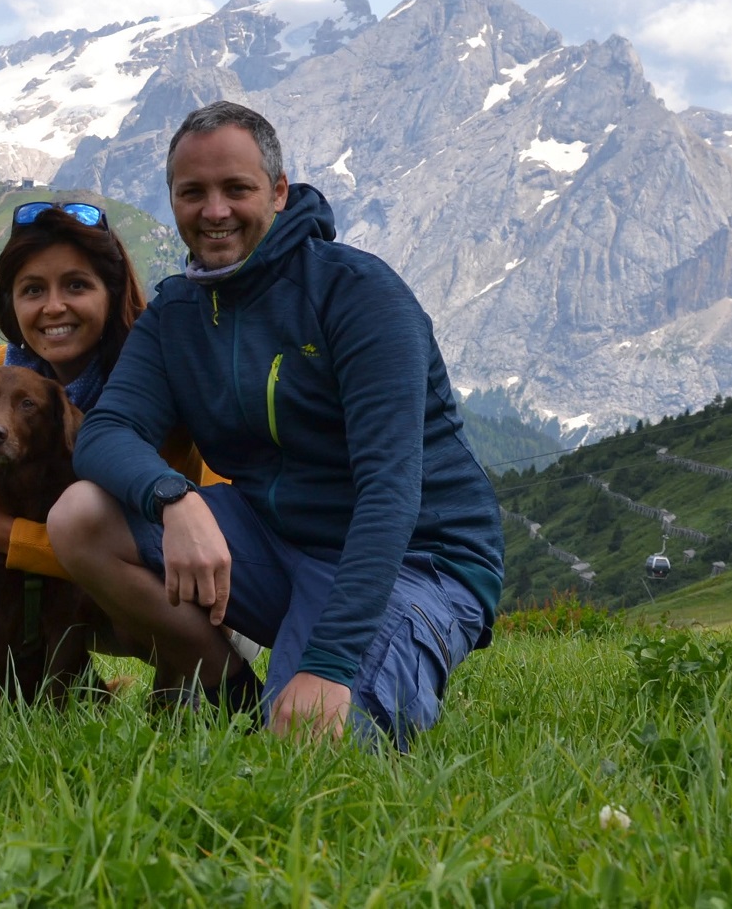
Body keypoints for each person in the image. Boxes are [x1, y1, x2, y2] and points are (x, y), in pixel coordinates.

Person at [52, 102, 505, 746]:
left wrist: (331, 663)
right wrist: (174, 499)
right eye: (193, 193)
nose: (215, 211)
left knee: (311, 748)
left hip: (414, 557)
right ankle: (231, 696)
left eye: (236, 189)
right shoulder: (178, 312)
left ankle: (358, 665)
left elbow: (389, 489)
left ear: (280, 192)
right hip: (277, 538)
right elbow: (104, 434)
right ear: (172, 200)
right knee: (82, 517)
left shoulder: (358, 293)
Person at [0, 200, 220, 633]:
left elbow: (147, 534)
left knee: (88, 504)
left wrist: (8, 536)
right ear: (10, 302)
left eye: (76, 286)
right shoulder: (0, 372)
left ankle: (190, 664)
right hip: (56, 573)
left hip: (153, 574)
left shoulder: (148, 382)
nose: (53, 307)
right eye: (33, 290)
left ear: (113, 293)